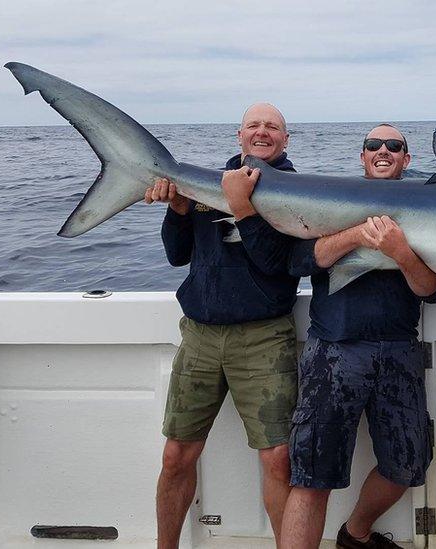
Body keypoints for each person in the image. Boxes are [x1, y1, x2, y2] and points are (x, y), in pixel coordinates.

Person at [279, 124, 436, 549]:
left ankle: (355, 534)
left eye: (394, 145)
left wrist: (399, 250)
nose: (383, 150)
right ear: (363, 156)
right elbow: (299, 261)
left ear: (407, 159)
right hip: (333, 350)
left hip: (400, 352)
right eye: (373, 145)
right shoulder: (333, 201)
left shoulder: (430, 206)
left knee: (408, 466)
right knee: (312, 475)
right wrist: (357, 233)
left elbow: (429, 288)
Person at [144, 103, 299, 548]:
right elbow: (177, 255)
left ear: (286, 140)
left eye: (273, 127)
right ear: (239, 136)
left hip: (264, 337)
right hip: (200, 334)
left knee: (278, 458)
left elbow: (277, 264)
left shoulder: (299, 191)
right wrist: (176, 208)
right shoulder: (207, 184)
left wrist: (243, 208)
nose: (262, 132)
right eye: (254, 125)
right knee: (176, 454)